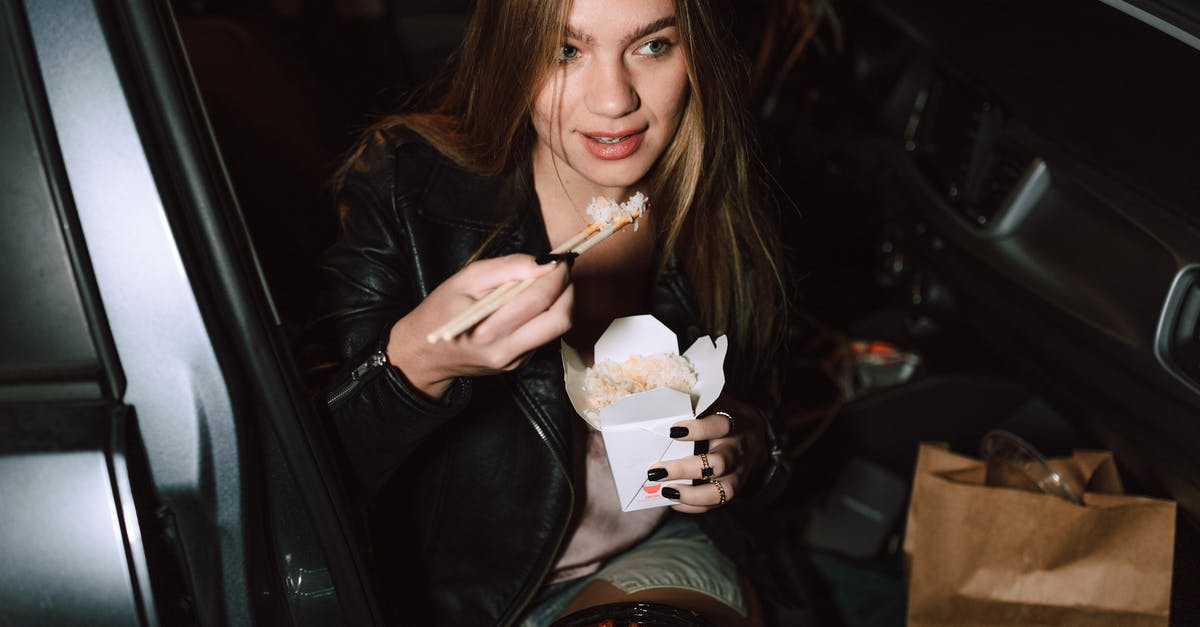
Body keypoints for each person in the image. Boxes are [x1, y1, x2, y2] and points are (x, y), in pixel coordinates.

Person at [310, 0, 790, 624]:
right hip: (451, 604)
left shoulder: (714, 200)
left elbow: (775, 415)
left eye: (652, 46)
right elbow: (299, 483)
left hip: (646, 554)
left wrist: (749, 446)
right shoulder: (408, 183)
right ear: (511, 57)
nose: (614, 100)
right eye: (565, 51)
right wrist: (418, 365)